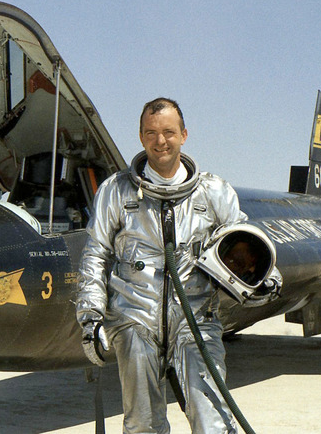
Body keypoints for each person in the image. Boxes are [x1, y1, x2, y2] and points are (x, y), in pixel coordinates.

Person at [76, 98, 277, 434]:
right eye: (151, 133)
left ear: (184, 135)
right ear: (141, 137)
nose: (160, 141)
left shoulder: (213, 192)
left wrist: (266, 282)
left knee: (213, 421)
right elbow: (95, 254)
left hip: (195, 322)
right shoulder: (116, 190)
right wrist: (91, 319)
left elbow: (246, 244)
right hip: (134, 322)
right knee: (142, 425)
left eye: (169, 132)